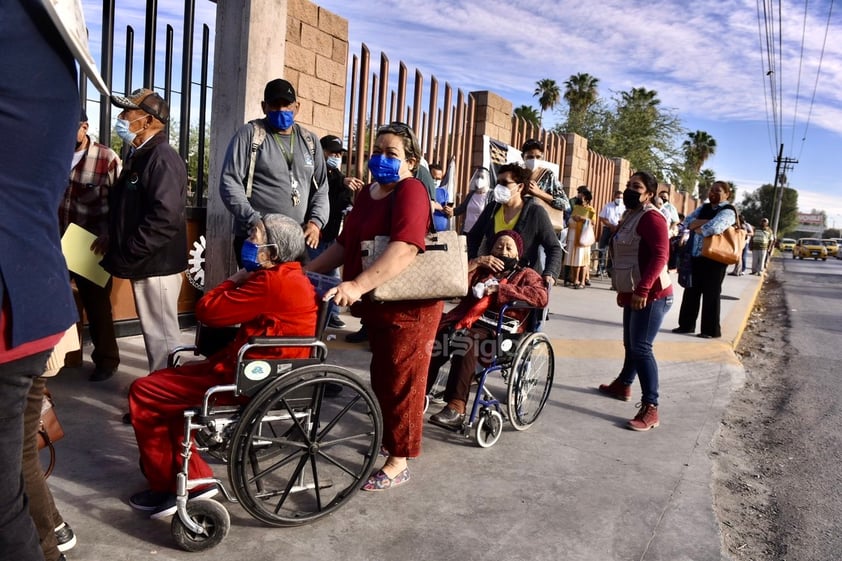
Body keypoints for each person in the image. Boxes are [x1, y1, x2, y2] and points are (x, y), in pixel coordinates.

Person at [128, 214, 318, 518]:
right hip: (252, 369)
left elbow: (207, 311)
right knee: (163, 383)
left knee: (145, 390)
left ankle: (189, 481)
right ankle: (178, 473)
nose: (248, 241)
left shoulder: (272, 282)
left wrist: (234, 278)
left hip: (251, 377)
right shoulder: (288, 277)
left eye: (255, 236)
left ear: (273, 252)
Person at [308, 122, 443, 491]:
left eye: (392, 153)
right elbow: (343, 244)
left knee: (403, 382)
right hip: (380, 304)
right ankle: (392, 439)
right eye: (378, 151)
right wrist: (303, 272)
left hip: (410, 307)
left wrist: (356, 284)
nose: (381, 159)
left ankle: (400, 460)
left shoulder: (411, 191)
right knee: (384, 378)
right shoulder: (368, 195)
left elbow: (406, 248)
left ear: (411, 162)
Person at [0, 2, 80, 559]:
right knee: (16, 467)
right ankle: (50, 537)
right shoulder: (57, 54)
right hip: (34, 293)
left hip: (10, 304)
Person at [101, 89, 188, 373]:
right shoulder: (140, 154)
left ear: (148, 120)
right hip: (148, 262)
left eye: (127, 113)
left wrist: (130, 249)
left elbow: (165, 216)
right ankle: (159, 398)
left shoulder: (161, 156)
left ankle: (165, 405)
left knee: (163, 340)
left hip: (157, 265)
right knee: (157, 338)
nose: (121, 118)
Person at [426, 230, 548, 428]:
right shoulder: (482, 269)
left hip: (500, 331)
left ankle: (456, 408)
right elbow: (451, 282)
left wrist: (501, 289)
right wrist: (476, 262)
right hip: (465, 320)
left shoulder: (526, 274)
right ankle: (417, 392)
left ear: (518, 254)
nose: (503, 251)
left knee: (465, 341)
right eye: (498, 246)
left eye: (509, 248)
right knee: (436, 337)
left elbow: (541, 297)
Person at [219, 78, 329, 262]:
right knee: (258, 290)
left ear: (297, 107)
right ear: (264, 107)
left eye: (286, 105)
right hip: (259, 240)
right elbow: (229, 182)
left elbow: (322, 188)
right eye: (274, 105)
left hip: (295, 241)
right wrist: (254, 220)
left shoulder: (310, 141)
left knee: (293, 290)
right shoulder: (250, 134)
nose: (281, 110)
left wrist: (316, 222)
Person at [597, 172, 673, 431]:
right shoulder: (631, 215)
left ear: (649, 193)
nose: (630, 190)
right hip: (634, 290)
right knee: (630, 343)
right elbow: (625, 255)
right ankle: (624, 384)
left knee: (641, 347)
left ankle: (651, 408)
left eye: (636, 187)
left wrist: (642, 290)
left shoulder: (652, 217)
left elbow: (661, 255)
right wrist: (624, 290)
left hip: (653, 294)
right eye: (629, 185)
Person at [61, 108, 122, 381]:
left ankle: (106, 361)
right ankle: (64, 357)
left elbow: (122, 204)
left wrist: (111, 235)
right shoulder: (54, 157)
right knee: (58, 302)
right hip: (56, 243)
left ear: (84, 127)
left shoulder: (106, 158)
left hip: (91, 245)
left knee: (97, 305)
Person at [467, 163, 561, 286]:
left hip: (523, 283)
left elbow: (553, 247)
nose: (499, 187)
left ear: (520, 187)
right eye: (498, 183)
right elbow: (473, 237)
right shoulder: (492, 209)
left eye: (505, 183)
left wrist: (550, 274)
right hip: (490, 280)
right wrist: (477, 260)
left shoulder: (535, 213)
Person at [672, 181, 737, 338]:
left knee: (711, 294)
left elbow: (715, 227)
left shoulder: (728, 210)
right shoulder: (704, 207)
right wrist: (700, 223)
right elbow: (687, 222)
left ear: (727, 194)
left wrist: (699, 224)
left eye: (718, 191)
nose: (713, 193)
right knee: (691, 290)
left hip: (715, 258)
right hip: (696, 255)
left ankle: (710, 330)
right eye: (712, 190)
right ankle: (686, 325)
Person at [314, 135, 363, 329]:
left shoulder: (340, 177)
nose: (335, 156)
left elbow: (343, 201)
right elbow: (319, 195)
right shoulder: (315, 173)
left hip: (332, 236)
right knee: (316, 275)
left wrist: (350, 207)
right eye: (331, 152)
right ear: (321, 152)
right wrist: (340, 185)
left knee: (332, 277)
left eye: (338, 153)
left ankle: (331, 314)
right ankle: (317, 314)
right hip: (315, 236)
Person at [521, 139, 571, 215]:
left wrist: (539, 193)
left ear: (542, 157)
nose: (534, 160)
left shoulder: (548, 176)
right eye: (530, 157)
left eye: (538, 157)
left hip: (538, 222)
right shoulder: (516, 174)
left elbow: (565, 205)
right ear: (523, 156)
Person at [564, 189, 596, 288]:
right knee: (574, 260)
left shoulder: (591, 210)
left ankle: (582, 281)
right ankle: (575, 280)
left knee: (583, 260)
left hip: (583, 237)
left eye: (581, 195)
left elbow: (593, 222)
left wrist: (583, 219)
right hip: (573, 236)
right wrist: (573, 219)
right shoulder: (576, 208)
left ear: (586, 198)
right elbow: (569, 220)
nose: (579, 196)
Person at [452, 168, 491, 234]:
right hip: (466, 230)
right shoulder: (471, 194)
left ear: (486, 179)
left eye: (482, 177)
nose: (479, 179)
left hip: (479, 232)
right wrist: (451, 211)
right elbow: (462, 208)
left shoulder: (490, 196)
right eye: (478, 177)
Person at [597, 190, 625, 275]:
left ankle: (610, 269)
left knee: (613, 249)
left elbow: (624, 219)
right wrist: (611, 226)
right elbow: (602, 218)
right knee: (602, 248)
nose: (619, 199)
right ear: (614, 197)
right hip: (607, 229)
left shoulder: (624, 208)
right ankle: (600, 268)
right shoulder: (608, 206)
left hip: (618, 230)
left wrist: (617, 227)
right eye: (618, 197)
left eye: (621, 198)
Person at [429, 162, 452, 232]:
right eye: (433, 178)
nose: (435, 181)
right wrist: (437, 206)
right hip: (427, 231)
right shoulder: (424, 189)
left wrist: (450, 211)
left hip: (441, 232)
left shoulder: (444, 192)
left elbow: (449, 211)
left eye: (438, 179)